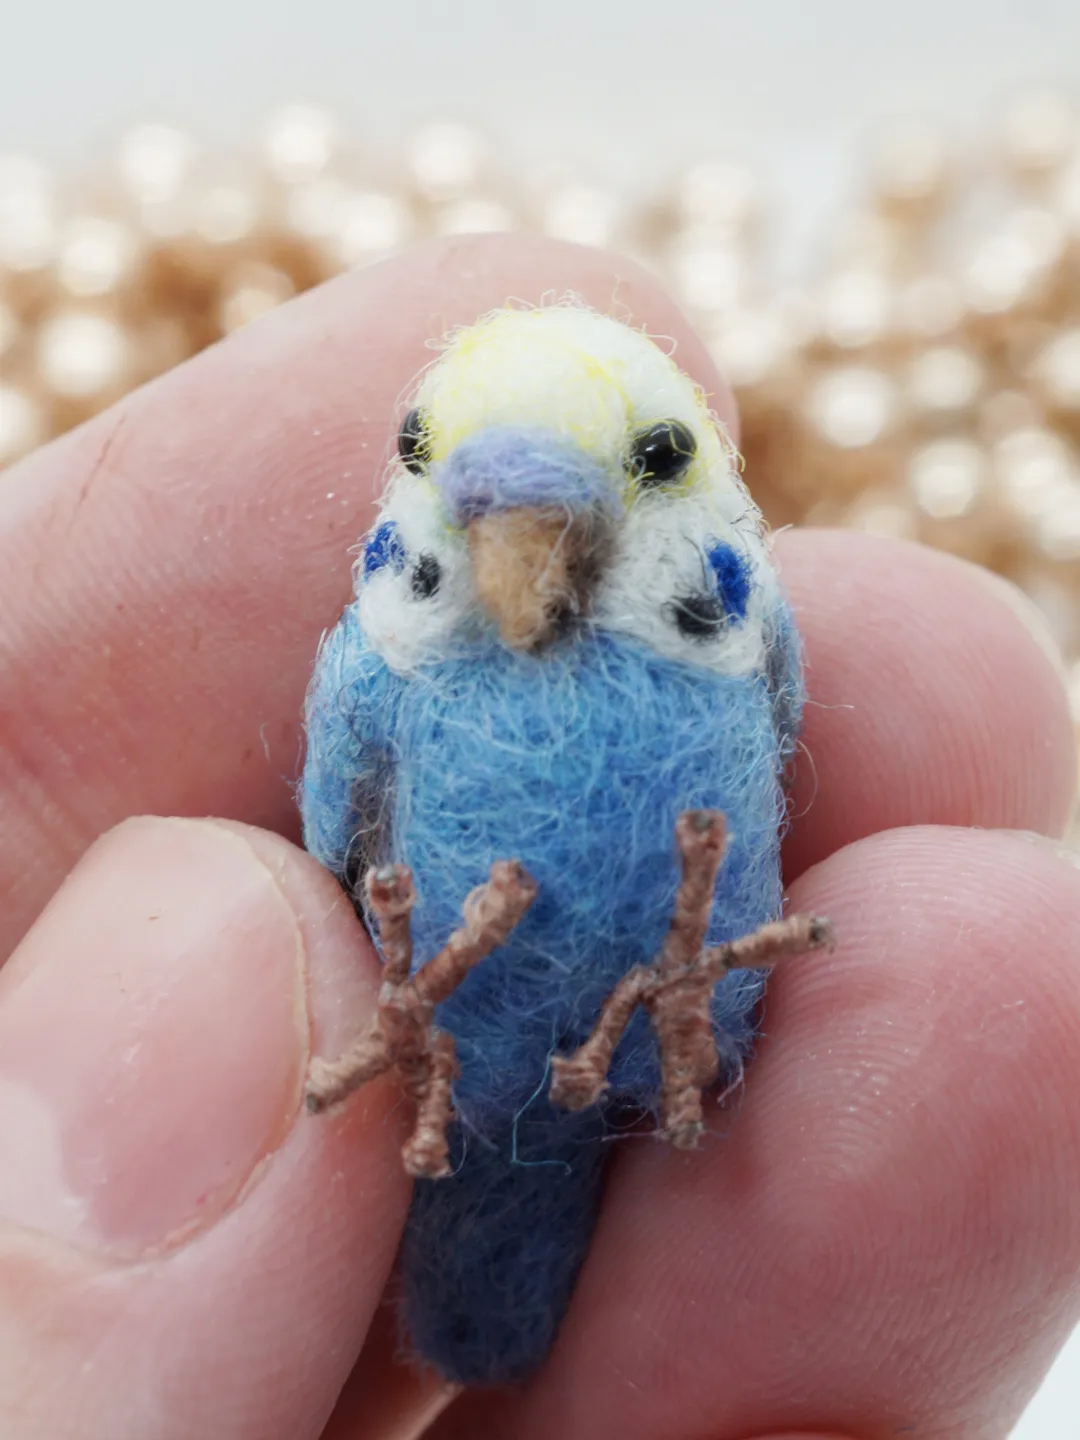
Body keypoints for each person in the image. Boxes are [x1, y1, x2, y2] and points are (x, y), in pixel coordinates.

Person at [0, 234, 1077, 1440]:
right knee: (483, 1251)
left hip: (665, 1040)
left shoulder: (741, 637)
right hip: (447, 1059)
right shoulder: (381, 671)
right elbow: (337, 841)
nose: (527, 558)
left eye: (648, 465)